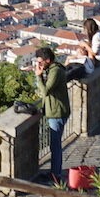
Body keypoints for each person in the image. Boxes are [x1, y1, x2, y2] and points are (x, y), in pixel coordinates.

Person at [30, 44, 70, 185]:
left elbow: (45, 91)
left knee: (56, 146)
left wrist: (38, 77)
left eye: (40, 61)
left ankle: (56, 175)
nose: (38, 64)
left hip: (57, 112)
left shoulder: (56, 71)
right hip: (55, 111)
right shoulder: (54, 69)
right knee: (55, 145)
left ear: (47, 60)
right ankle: (55, 172)